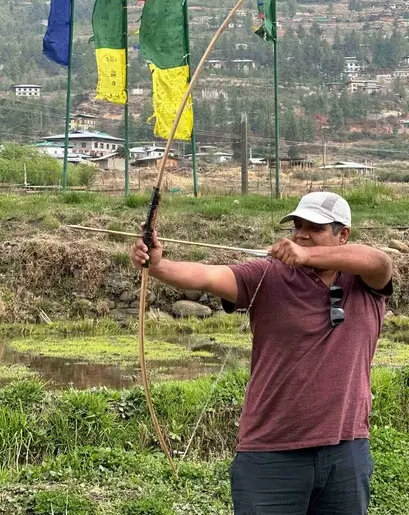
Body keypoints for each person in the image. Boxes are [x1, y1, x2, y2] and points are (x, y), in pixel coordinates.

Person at [131, 191, 393, 515]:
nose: (301, 234)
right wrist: (159, 265)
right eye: (297, 226)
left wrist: (309, 257)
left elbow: (379, 261)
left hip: (346, 449)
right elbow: (209, 275)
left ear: (343, 235)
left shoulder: (366, 282)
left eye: (315, 227)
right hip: (271, 454)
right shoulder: (267, 275)